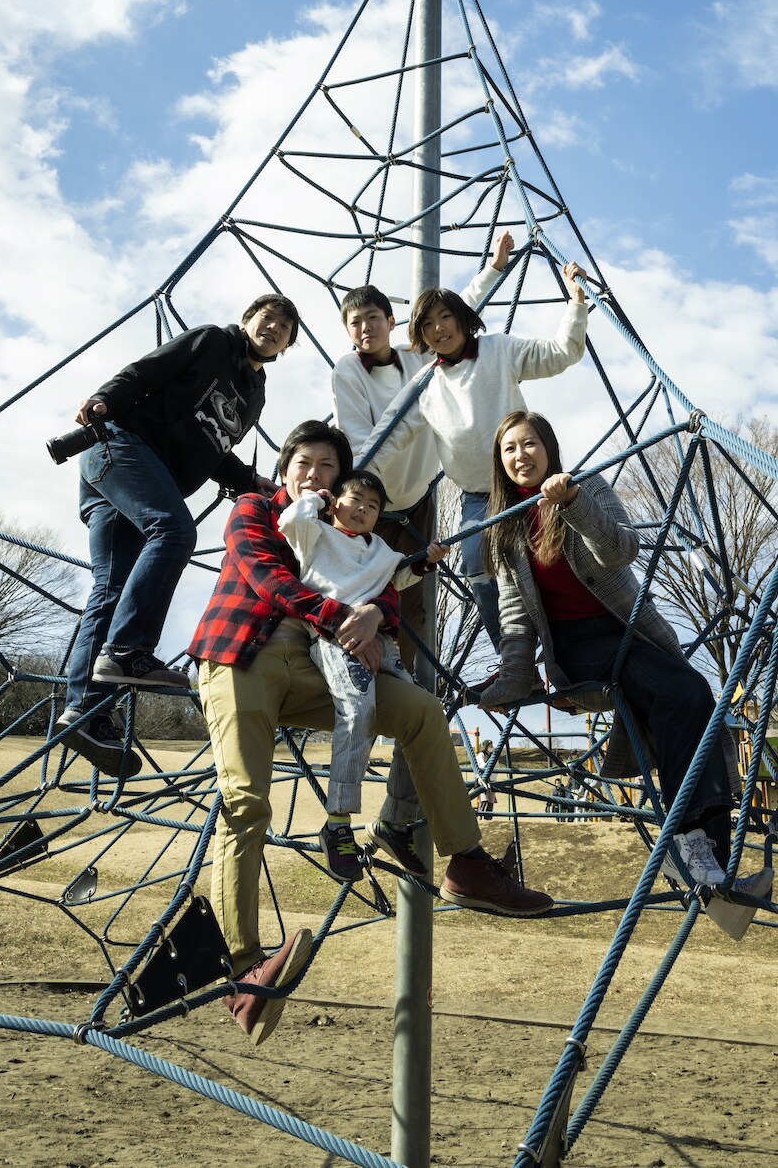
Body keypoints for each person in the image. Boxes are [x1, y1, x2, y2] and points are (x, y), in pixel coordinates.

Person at [189, 419, 557, 1047]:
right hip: (244, 654)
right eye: (304, 463)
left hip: (317, 662)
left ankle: (466, 862)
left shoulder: (353, 534)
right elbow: (270, 578)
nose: (315, 475)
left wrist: (374, 611)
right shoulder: (257, 509)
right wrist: (346, 616)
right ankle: (245, 969)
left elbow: (382, 586)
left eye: (328, 467)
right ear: (284, 469)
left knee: (421, 710)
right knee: (245, 802)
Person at [480, 409, 742, 892]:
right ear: (499, 461)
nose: (521, 455)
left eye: (530, 443)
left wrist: (573, 503)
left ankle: (713, 865)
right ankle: (689, 846)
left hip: (627, 629)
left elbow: (622, 550)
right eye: (509, 448)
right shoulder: (505, 528)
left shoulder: (587, 487)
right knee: (681, 690)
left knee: (694, 695)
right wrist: (515, 674)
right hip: (575, 647)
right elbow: (515, 614)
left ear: (549, 448)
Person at [58, 293, 299, 778]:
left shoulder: (255, 394)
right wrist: (106, 397)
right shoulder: (212, 342)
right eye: (266, 317)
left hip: (148, 479)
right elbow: (147, 371)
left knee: (111, 590)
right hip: (122, 447)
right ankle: (128, 651)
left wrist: (247, 480)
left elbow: (213, 445)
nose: (272, 327)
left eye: (283, 327)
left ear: (288, 344)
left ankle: (85, 715)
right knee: (173, 531)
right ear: (247, 319)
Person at [329, 232, 511, 860]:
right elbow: (364, 443)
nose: (364, 331)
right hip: (376, 509)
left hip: (421, 503)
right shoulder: (348, 372)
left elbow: (452, 322)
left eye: (372, 319)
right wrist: (347, 506)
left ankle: (401, 810)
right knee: (378, 632)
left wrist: (492, 270)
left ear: (390, 322)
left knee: (418, 640)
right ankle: (366, 774)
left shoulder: (418, 357)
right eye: (354, 324)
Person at [359, 260, 589, 648]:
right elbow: (389, 435)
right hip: (479, 495)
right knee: (476, 563)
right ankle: (513, 656)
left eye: (445, 317)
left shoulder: (498, 349)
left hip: (529, 485)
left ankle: (566, 648)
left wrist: (577, 302)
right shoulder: (426, 384)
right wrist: (354, 477)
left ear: (463, 318)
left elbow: (560, 353)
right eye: (427, 324)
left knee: (553, 559)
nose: (438, 328)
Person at [277, 469, 446, 881]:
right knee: (357, 710)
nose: (363, 510)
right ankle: (337, 823)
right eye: (355, 500)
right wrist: (317, 499)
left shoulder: (380, 549)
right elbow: (290, 520)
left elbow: (399, 574)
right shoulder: (317, 535)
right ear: (336, 502)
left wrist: (426, 561)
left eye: (372, 507)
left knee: (422, 714)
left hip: (382, 642)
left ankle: (395, 819)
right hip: (336, 637)